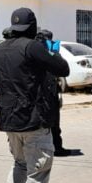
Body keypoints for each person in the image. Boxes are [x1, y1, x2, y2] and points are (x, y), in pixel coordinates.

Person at [0, 8, 70, 183]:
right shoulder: (32, 47)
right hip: (34, 122)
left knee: (20, 166)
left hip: (10, 121)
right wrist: (47, 47)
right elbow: (62, 68)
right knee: (37, 174)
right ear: (32, 26)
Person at [35, 29, 81, 157]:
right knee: (49, 122)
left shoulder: (49, 52)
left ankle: (56, 147)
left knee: (54, 122)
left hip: (50, 88)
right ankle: (51, 148)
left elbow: (62, 69)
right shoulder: (35, 51)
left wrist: (54, 53)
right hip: (43, 90)